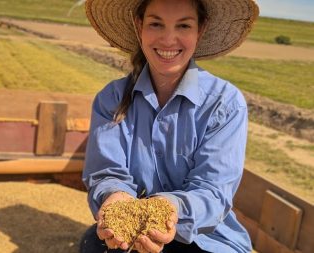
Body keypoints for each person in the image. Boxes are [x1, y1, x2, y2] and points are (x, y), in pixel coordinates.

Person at [80, 0, 259, 252]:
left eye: (183, 25)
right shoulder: (111, 99)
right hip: (133, 232)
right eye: (156, 24)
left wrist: (167, 209)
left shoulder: (224, 103)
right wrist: (114, 196)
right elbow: (107, 173)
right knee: (92, 244)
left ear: (201, 29)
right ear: (139, 25)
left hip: (206, 238)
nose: (168, 39)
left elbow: (212, 191)